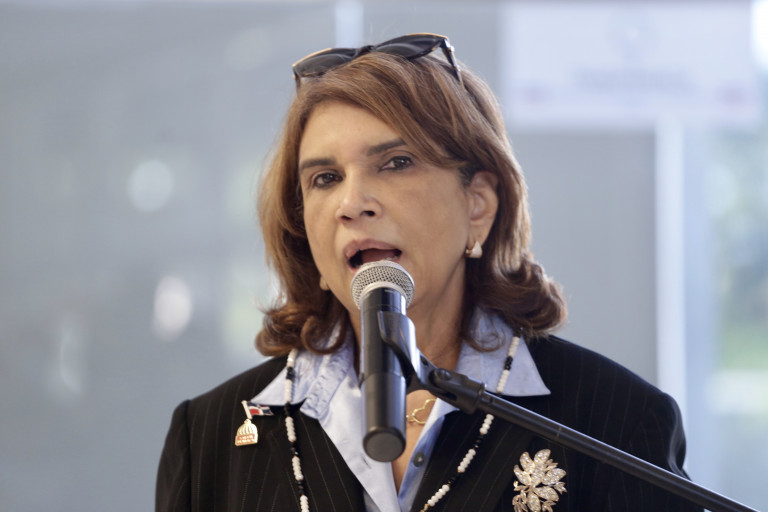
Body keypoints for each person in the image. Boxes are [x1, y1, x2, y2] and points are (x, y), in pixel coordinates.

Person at [156, 33, 700, 512]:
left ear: (478, 206)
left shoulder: (615, 421)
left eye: (396, 163)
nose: (352, 203)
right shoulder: (208, 435)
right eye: (325, 178)